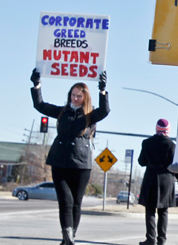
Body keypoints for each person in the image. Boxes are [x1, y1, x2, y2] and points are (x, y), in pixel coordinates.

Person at [30, 68, 110, 245]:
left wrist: (102, 90)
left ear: (85, 98)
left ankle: (69, 238)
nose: (75, 98)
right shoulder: (62, 112)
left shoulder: (90, 115)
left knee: (75, 203)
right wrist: (36, 85)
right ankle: (68, 237)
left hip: (81, 165)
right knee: (65, 201)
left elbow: (105, 111)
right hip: (59, 162)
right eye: (73, 95)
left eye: (79, 96)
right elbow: (40, 105)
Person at [138, 118, 178, 245]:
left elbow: (141, 162)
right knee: (163, 211)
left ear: (156, 129)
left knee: (150, 210)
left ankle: (150, 239)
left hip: (151, 179)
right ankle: (162, 240)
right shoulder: (172, 145)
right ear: (168, 130)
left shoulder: (146, 143)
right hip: (166, 180)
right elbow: (175, 166)